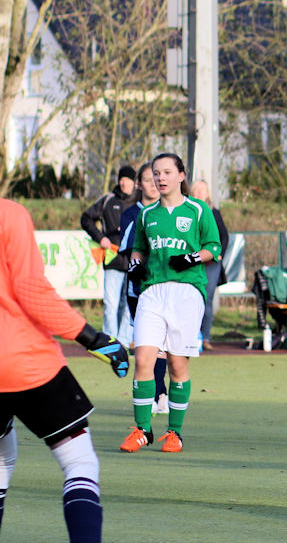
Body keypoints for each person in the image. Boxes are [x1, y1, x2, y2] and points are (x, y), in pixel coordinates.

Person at [0, 197, 139, 543]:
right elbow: (30, 290)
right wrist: (91, 338)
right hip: (22, 362)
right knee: (78, 459)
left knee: (2, 458)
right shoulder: (9, 214)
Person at [119, 153, 222, 454]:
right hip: (152, 291)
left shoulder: (198, 210)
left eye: (166, 172)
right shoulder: (147, 214)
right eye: (155, 173)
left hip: (187, 292)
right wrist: (134, 265)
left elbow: (213, 248)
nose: (160, 178)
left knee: (177, 365)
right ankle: (142, 430)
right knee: (143, 359)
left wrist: (191, 258)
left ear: (180, 175)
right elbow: (138, 249)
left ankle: (174, 433)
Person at [118, 162, 169, 415]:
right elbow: (131, 252)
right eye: (149, 179)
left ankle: (161, 392)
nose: (154, 183)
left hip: (167, 289)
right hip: (140, 290)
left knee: (163, 345)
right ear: (139, 184)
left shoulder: (171, 212)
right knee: (145, 344)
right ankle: (149, 393)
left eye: (157, 177)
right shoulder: (132, 214)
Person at [81, 164, 138, 343]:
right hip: (112, 259)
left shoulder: (142, 202)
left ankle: (123, 342)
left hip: (133, 260)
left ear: (134, 182)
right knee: (111, 304)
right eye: (121, 179)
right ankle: (110, 343)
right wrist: (100, 238)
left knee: (128, 304)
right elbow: (86, 218)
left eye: (127, 180)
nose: (124, 183)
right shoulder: (107, 200)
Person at [191, 180, 230, 350]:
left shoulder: (214, 212)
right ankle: (190, 335)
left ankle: (205, 337)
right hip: (193, 262)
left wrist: (218, 254)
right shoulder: (187, 211)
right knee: (191, 298)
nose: (199, 193)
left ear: (207, 193)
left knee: (206, 298)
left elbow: (224, 236)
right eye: (196, 190)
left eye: (203, 190)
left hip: (211, 264)